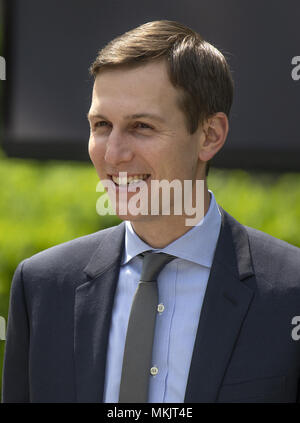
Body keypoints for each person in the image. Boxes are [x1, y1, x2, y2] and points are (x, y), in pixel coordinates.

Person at [2, 20, 300, 403]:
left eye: (141, 126)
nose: (113, 154)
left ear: (209, 135)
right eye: (102, 125)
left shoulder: (290, 293)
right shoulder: (42, 287)